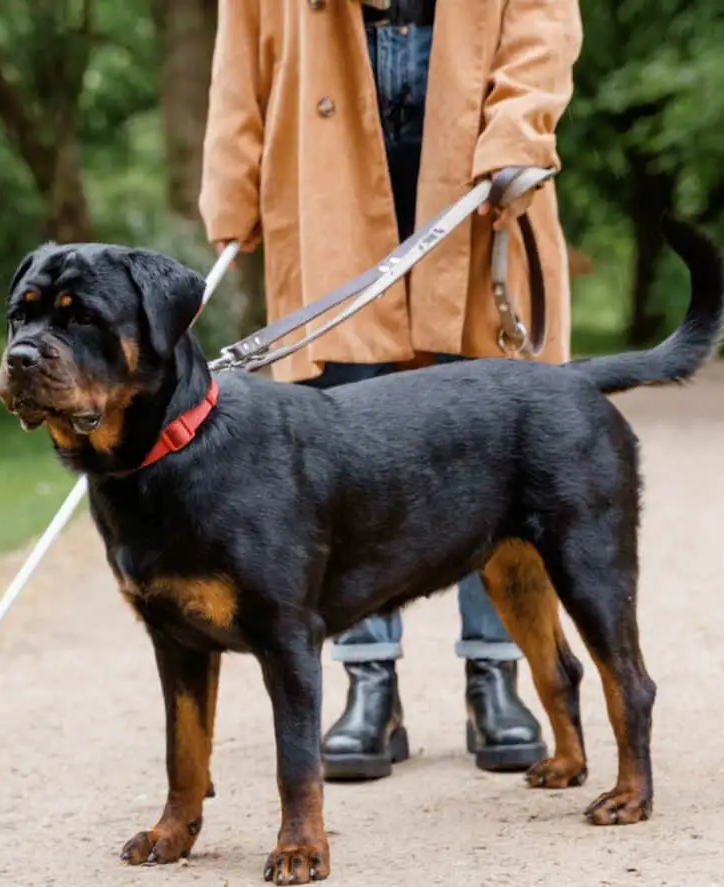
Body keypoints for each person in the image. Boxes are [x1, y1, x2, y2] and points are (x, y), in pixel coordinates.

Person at [198, 0, 583, 781]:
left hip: (478, 175)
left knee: (490, 441)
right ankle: (369, 683)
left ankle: (494, 676)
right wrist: (234, 193)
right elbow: (243, 55)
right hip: (323, 170)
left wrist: (519, 133)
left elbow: (542, 22)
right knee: (338, 438)